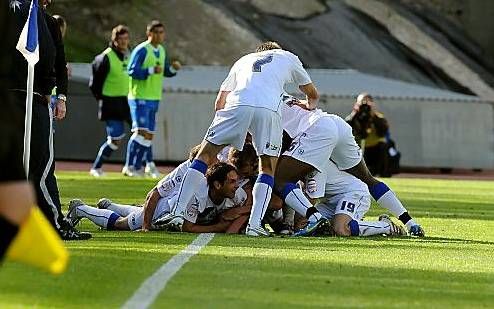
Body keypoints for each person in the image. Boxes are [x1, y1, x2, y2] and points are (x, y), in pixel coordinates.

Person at [165, 41, 319, 237]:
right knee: (267, 169)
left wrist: (231, 131)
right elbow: (313, 95)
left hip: (236, 105)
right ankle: (255, 225)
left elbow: (220, 101)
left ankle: (177, 213)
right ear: (277, 51)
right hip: (268, 109)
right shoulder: (288, 57)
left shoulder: (243, 60)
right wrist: (308, 105)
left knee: (203, 156)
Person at [275, 94, 424, 236]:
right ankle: (409, 222)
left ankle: (386, 226)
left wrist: (290, 224)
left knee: (339, 229)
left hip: (352, 193)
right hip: (332, 123)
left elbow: (307, 204)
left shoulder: (312, 163)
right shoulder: (278, 96)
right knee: (368, 179)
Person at [7, 0, 90, 240]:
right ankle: (53, 224)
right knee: (41, 167)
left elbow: (58, 62)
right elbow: (52, 59)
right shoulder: (29, 15)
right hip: (28, 101)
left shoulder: (45, 20)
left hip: (29, 99)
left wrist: (60, 96)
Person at [66, 163, 250, 233]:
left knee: (137, 211)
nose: (237, 185)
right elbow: (188, 227)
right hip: (160, 213)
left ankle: (109, 205)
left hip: (166, 203)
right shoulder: (197, 195)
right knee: (121, 225)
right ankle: (80, 209)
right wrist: (219, 227)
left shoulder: (235, 194)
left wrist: (243, 210)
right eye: (232, 181)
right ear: (217, 185)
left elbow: (253, 204)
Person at [123, 20, 181, 178]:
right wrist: (150, 70)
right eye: (156, 32)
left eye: (162, 32)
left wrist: (172, 70)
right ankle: (129, 166)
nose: (160, 35)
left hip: (154, 97)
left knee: (149, 134)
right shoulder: (142, 50)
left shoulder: (161, 50)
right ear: (149, 33)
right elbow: (131, 71)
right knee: (140, 132)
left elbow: (164, 71)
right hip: (139, 96)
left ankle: (137, 166)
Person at [307, 161, 406, 237]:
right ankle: (354, 221)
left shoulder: (315, 163)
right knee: (312, 226)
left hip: (353, 193)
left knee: (341, 229)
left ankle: (386, 226)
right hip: (329, 202)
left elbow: (311, 199)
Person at [88, 25, 131, 177]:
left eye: (126, 38)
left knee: (141, 134)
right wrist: (103, 99)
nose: (124, 42)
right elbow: (94, 84)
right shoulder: (105, 57)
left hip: (127, 102)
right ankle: (96, 167)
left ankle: (133, 167)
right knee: (115, 140)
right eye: (121, 39)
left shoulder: (128, 55)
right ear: (114, 40)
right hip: (111, 103)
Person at [346, 93, 396, 177]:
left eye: (367, 102)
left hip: (377, 147)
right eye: (362, 102)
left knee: (382, 148)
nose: (365, 105)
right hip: (361, 147)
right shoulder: (354, 117)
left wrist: (372, 114)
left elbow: (383, 130)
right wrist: (355, 113)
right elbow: (347, 126)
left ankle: (382, 172)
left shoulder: (378, 117)